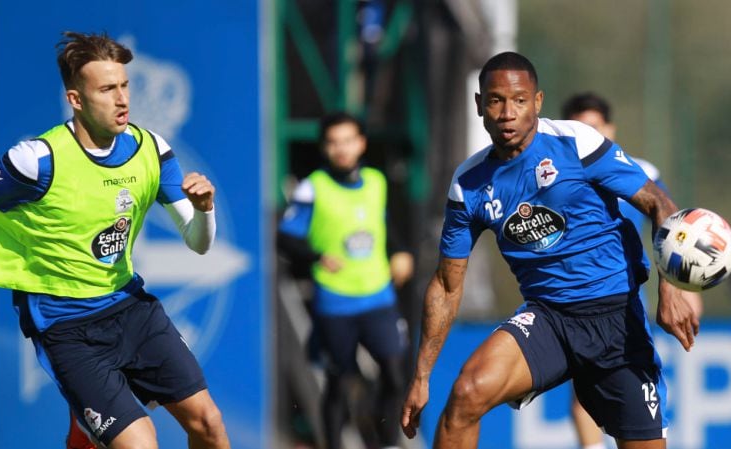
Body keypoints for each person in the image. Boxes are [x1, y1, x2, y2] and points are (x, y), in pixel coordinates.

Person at [399, 51, 699, 449]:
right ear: (479, 105)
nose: (508, 113)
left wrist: (671, 289)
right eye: (496, 100)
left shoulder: (575, 142)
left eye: (519, 101)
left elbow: (660, 205)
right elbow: (447, 285)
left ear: (537, 102)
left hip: (616, 320)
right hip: (548, 320)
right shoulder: (468, 184)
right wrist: (421, 377)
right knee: (466, 394)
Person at [0, 32, 229, 448]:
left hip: (129, 308)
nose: (122, 100)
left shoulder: (150, 148)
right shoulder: (34, 161)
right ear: (76, 99)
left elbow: (199, 243)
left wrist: (205, 209)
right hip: (65, 325)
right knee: (140, 443)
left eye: (124, 85)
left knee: (208, 423)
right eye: (106, 89)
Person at [561, 92, 702, 449]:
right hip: (575, 301)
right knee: (584, 392)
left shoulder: (639, 173)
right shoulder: (556, 177)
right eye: (578, 128)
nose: (587, 134)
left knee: (637, 391)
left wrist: (684, 289)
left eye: (593, 127)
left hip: (628, 304)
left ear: (610, 128)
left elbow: (673, 227)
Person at [278, 112, 413, 449]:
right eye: (334, 142)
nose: (342, 149)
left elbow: (385, 229)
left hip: (378, 296)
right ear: (325, 147)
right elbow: (287, 239)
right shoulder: (313, 188)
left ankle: (387, 442)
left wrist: (400, 252)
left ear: (361, 143)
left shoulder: (376, 182)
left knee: (396, 375)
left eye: (348, 140)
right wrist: (316, 257)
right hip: (336, 302)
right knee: (340, 381)